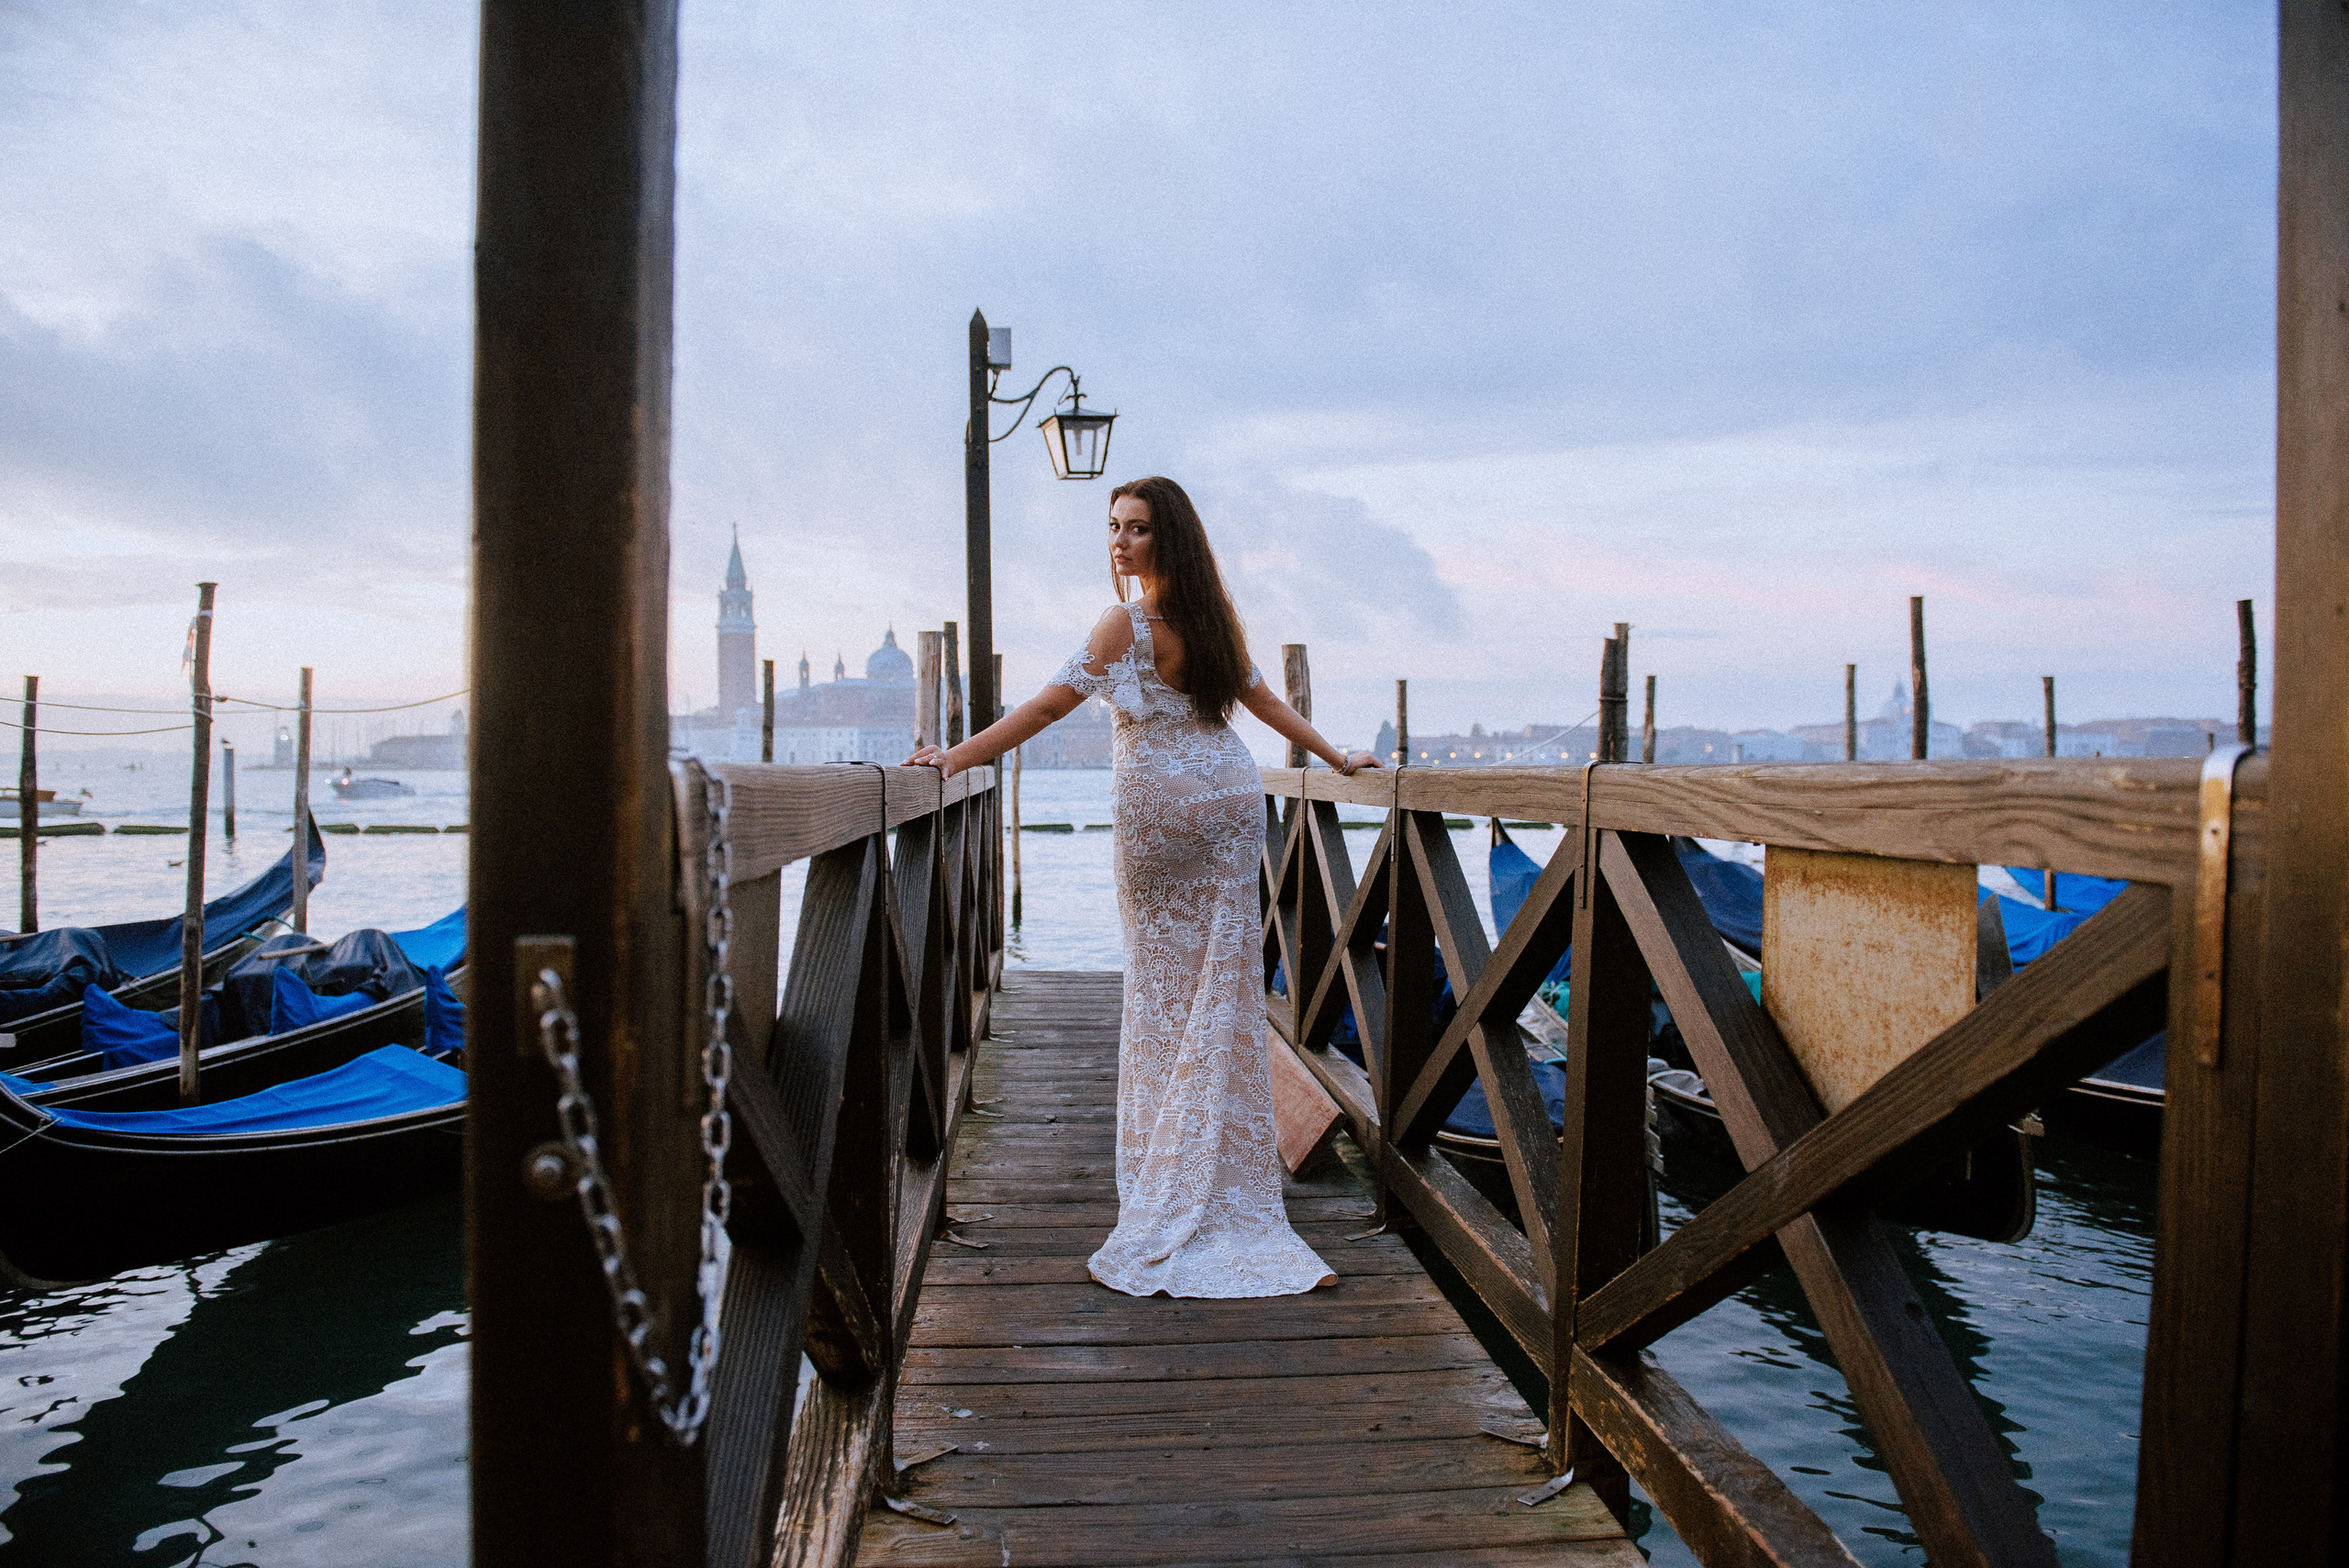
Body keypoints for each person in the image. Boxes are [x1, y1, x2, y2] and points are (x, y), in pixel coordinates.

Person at [907, 475, 1378, 1298]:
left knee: (1161, 997)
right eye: (1114, 526)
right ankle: (1217, 1178)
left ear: (1169, 538)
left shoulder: (1123, 622)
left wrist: (954, 756)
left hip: (1162, 815)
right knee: (1223, 993)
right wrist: (1338, 757)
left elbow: (1046, 708)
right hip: (1230, 802)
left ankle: (1171, 1177)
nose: (1119, 542)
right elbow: (1264, 703)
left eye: (1137, 529)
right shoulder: (1211, 620)